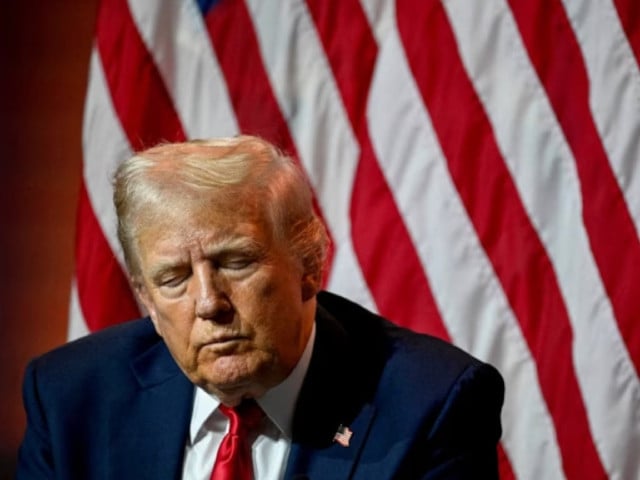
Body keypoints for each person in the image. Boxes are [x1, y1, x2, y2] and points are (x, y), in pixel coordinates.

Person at [16, 135, 505, 479]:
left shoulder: (431, 403)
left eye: (236, 262)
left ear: (309, 264)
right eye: (173, 279)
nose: (208, 303)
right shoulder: (71, 397)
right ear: (144, 295)